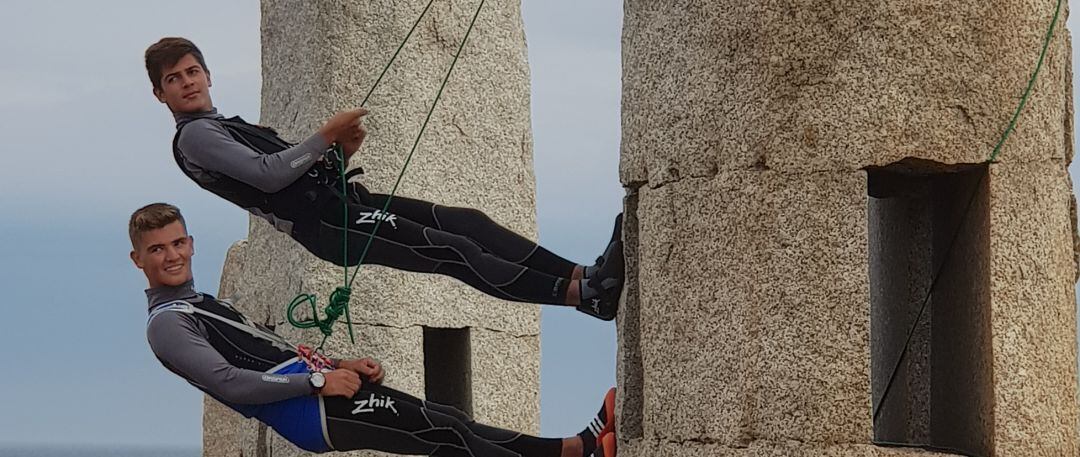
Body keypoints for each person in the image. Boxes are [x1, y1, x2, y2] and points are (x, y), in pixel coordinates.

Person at [144, 37, 623, 320]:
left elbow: (292, 175)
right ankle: (586, 296)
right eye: (174, 79)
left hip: (344, 204)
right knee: (453, 249)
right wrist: (325, 135)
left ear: (208, 75)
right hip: (328, 226)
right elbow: (267, 177)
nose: (187, 82)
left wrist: (340, 152)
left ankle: (581, 275)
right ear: (160, 94)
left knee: (467, 224)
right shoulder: (196, 136)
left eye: (192, 71)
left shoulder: (223, 125)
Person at [131, 202, 618, 456]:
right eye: (157, 249)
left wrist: (337, 364)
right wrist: (318, 381)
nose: (172, 256)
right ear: (138, 260)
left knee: (446, 422)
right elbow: (231, 383)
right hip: (312, 413)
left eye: (177, 243)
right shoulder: (167, 324)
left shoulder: (198, 303)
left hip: (318, 391)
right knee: (444, 432)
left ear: (191, 243)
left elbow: (267, 352)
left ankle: (573, 449)